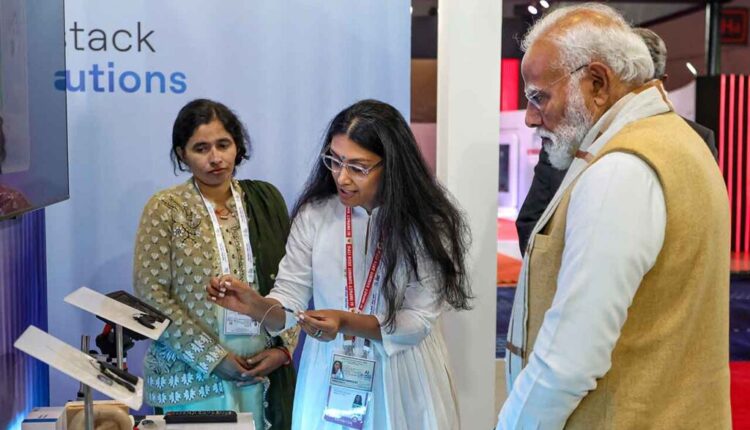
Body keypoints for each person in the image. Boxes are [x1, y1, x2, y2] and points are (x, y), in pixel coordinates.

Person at [498, 4, 730, 429]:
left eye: (538, 96)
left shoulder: (620, 170)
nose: (530, 117)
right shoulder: (679, 142)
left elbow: (568, 361)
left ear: (598, 83)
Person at [207, 99, 472, 430]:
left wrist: (345, 321)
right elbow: (288, 302)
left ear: (393, 165)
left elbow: (416, 322)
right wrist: (256, 306)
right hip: (331, 372)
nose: (342, 177)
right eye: (334, 161)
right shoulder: (316, 214)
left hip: (403, 372)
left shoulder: (427, 223)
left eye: (358, 167)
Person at [133, 99, 297, 430]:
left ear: (237, 146)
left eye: (223, 144)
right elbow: (151, 294)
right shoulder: (166, 208)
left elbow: (293, 282)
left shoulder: (264, 201)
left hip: (260, 369)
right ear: (182, 154)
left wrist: (283, 349)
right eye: (201, 148)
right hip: (190, 374)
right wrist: (212, 357)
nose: (215, 158)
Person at [515, 26, 718, 254]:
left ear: (661, 83)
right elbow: (531, 222)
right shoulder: (565, 140)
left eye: (640, 86)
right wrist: (562, 265)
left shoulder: (694, 140)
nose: (531, 119)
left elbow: (699, 229)